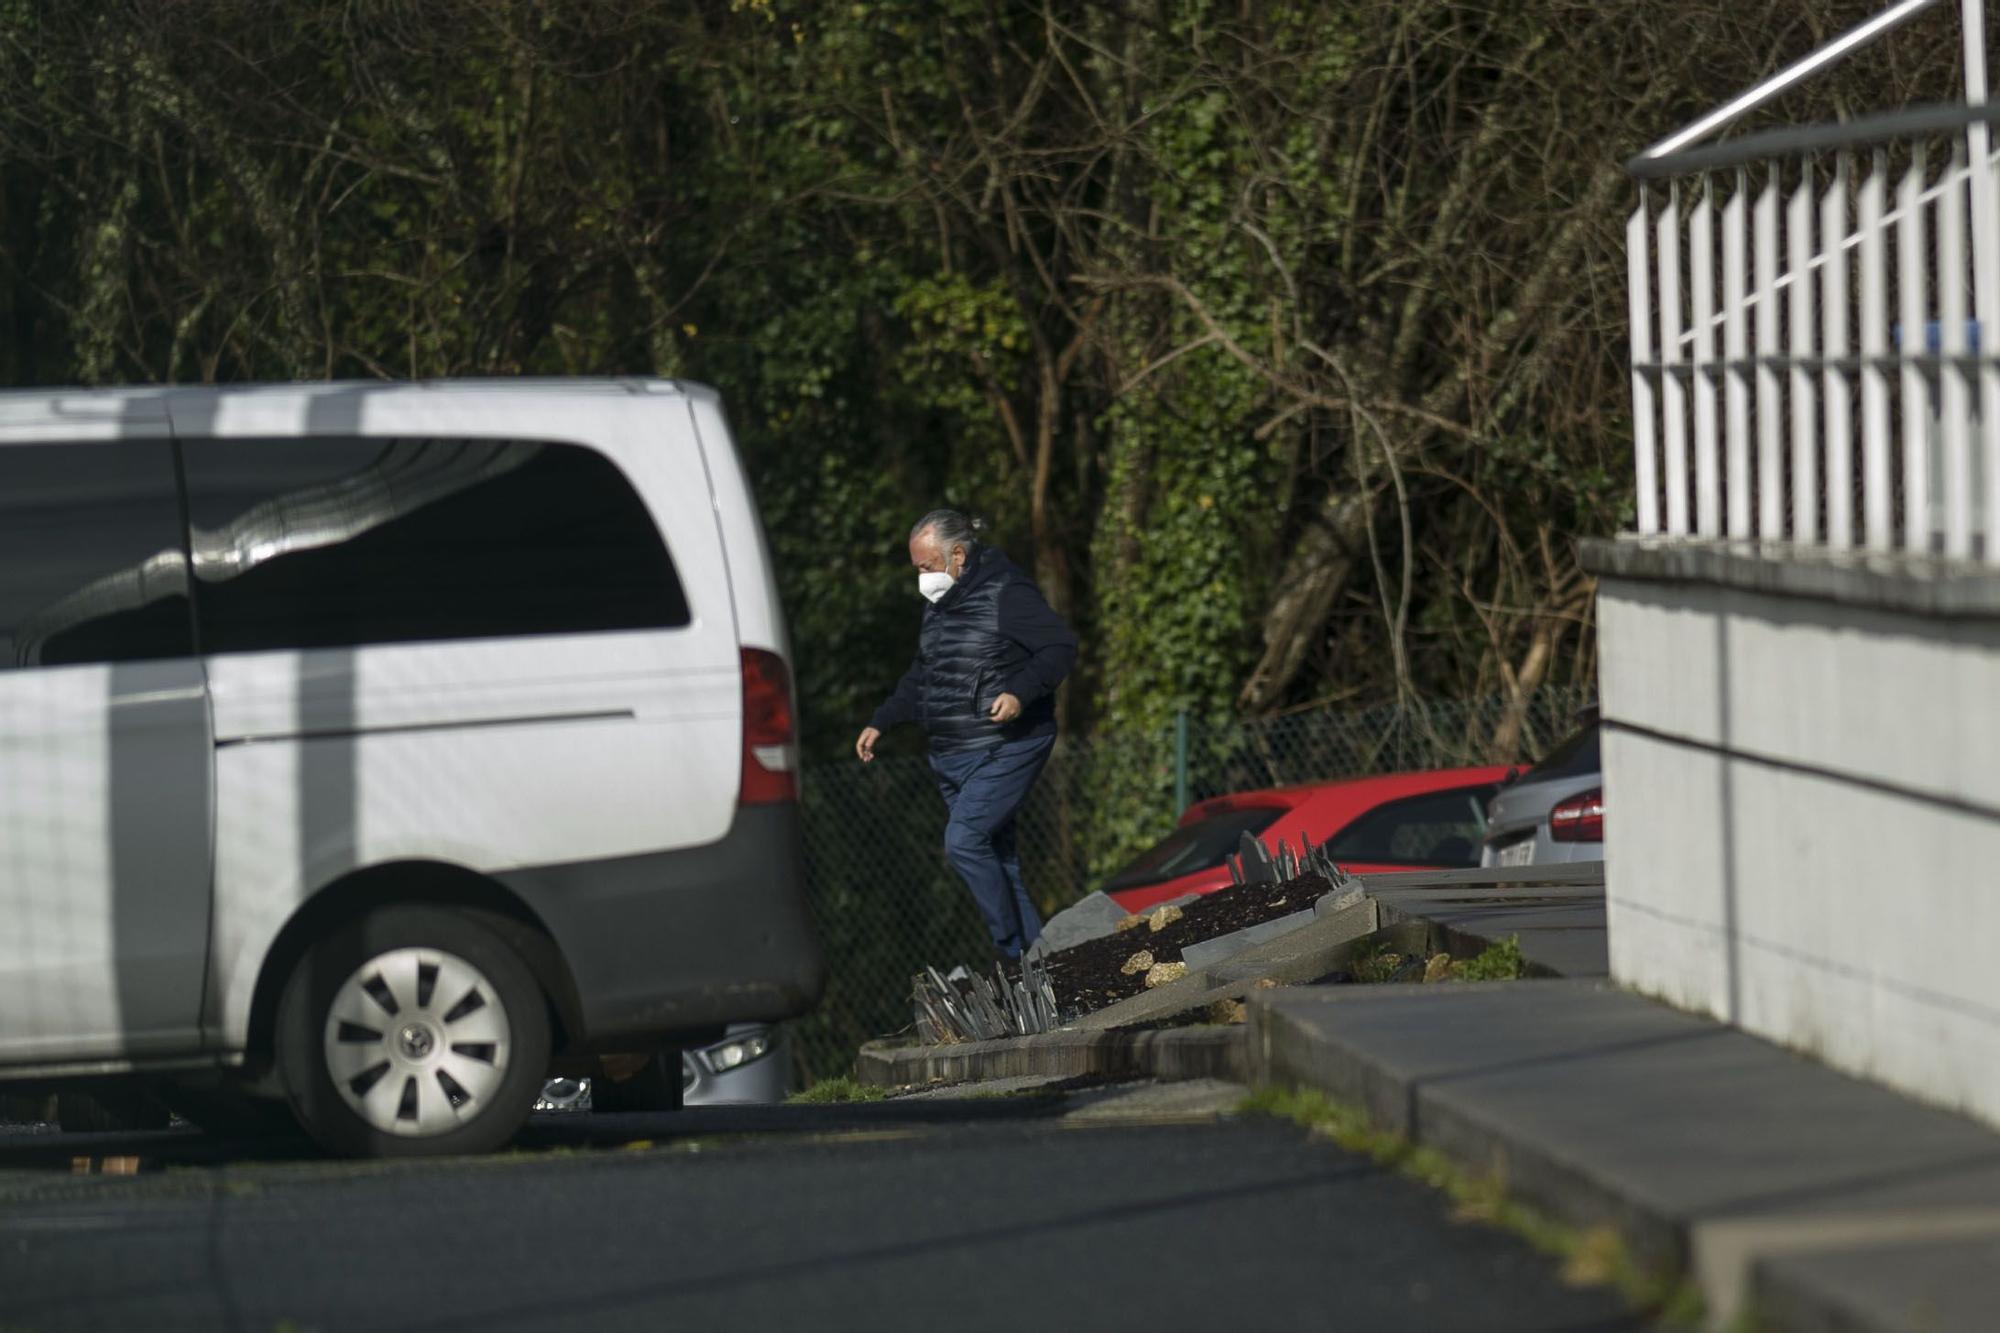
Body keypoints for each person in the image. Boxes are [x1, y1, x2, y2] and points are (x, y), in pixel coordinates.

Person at [856, 509, 1076, 960]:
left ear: (957, 554)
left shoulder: (1006, 593)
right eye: (916, 568)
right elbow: (925, 674)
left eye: (926, 566)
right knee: (1001, 860)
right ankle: (1040, 966)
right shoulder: (937, 608)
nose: (921, 577)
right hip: (951, 754)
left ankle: (1008, 951)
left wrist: (1020, 691)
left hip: (1005, 745)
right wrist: (883, 719)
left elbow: (1059, 646)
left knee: (964, 841)